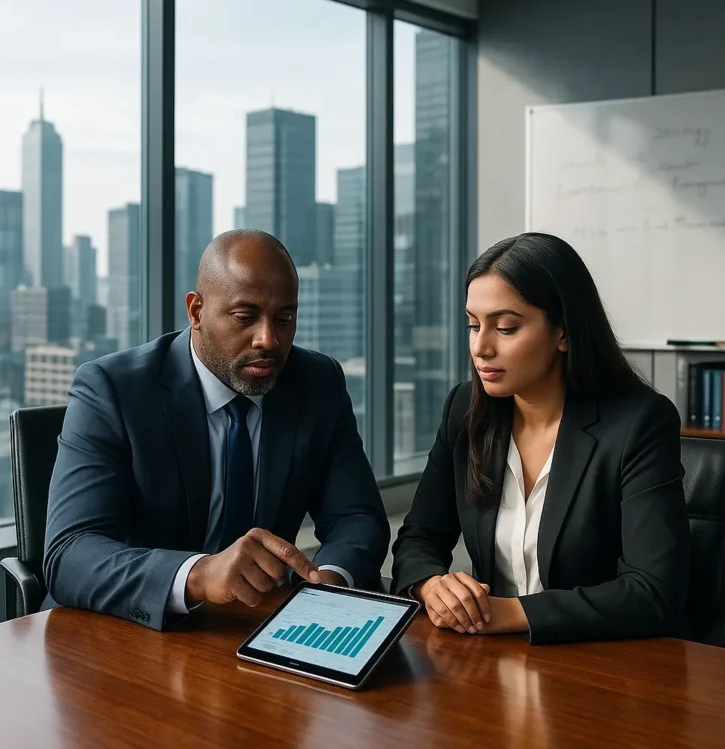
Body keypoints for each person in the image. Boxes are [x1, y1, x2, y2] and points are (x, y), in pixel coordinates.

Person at [44, 230, 389, 630]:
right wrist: (198, 575)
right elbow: (70, 554)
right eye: (245, 318)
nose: (268, 339)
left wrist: (328, 583)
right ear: (196, 312)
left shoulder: (316, 382)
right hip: (121, 631)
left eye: (285, 318)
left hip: (255, 627)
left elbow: (356, 515)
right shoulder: (112, 389)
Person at [391, 233, 690, 645]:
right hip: (490, 659)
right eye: (473, 325)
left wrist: (506, 611)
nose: (481, 348)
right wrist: (431, 585)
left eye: (506, 328)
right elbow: (419, 537)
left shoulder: (639, 423)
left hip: (598, 662)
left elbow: (653, 592)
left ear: (563, 333)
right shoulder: (464, 409)